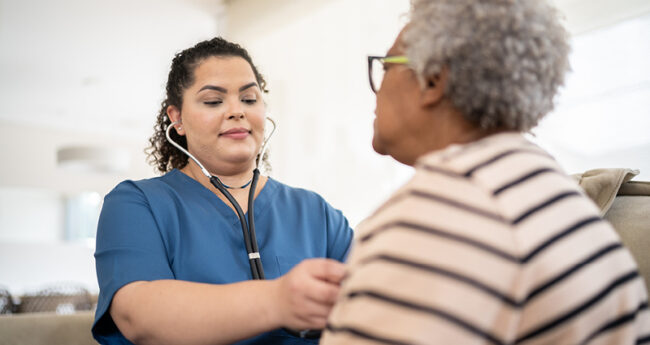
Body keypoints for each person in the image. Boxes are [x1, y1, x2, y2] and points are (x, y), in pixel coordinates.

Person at [322, 0, 650, 344]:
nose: (377, 89)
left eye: (387, 65)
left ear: (433, 79)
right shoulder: (568, 206)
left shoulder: (433, 222)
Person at [92, 37, 353, 345]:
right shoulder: (136, 204)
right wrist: (278, 300)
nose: (236, 111)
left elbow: (373, 302)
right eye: (214, 101)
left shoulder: (315, 212)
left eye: (250, 99)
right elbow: (140, 316)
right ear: (177, 120)